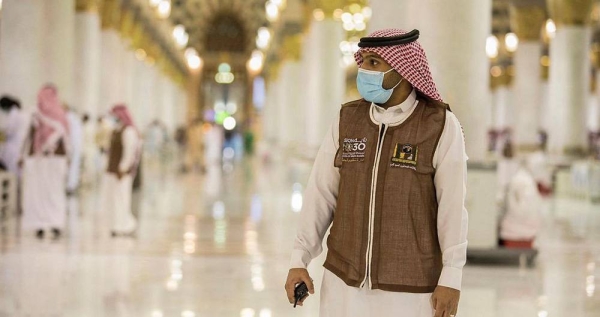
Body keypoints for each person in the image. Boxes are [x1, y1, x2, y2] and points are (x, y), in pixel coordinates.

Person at [285, 29, 468, 317]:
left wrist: (451, 276)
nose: (364, 71)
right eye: (363, 62)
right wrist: (300, 258)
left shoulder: (439, 125)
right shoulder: (349, 119)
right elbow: (320, 194)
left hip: (410, 288)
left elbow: (452, 207)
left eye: (373, 63)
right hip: (343, 283)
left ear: (403, 70)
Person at [20, 85, 70, 239]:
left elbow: (65, 139)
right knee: (40, 192)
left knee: (52, 192)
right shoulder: (36, 113)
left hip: (51, 160)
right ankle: (41, 224)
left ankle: (54, 223)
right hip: (41, 160)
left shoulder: (57, 115)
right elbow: (29, 135)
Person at [104, 104, 141, 237]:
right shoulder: (116, 130)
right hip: (113, 172)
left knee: (122, 199)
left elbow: (129, 153)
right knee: (113, 200)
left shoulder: (129, 131)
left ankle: (125, 225)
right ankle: (116, 225)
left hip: (122, 173)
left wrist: (123, 169)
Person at [500, 156, 543, 248]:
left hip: (516, 228)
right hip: (527, 228)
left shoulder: (518, 179)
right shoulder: (527, 180)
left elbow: (516, 208)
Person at [0, 96, 29, 175]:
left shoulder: (14, 114)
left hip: (13, 147)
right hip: (16, 146)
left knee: (13, 172)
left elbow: (9, 131)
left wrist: (2, 134)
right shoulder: (18, 113)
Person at [65, 105, 83, 194]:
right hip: (76, 147)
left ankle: (69, 186)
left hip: (70, 147)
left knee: (70, 168)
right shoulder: (76, 119)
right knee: (74, 167)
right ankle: (71, 185)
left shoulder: (67, 118)